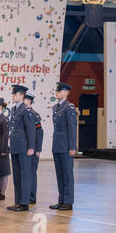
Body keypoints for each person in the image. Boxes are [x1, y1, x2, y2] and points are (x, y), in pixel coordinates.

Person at [7, 85, 36, 212]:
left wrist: (31, 147)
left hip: (24, 147)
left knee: (24, 175)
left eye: (15, 94)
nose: (13, 96)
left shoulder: (26, 110)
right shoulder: (13, 109)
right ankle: (17, 201)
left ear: (21, 95)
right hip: (15, 146)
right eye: (13, 94)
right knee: (17, 176)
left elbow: (31, 129)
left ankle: (24, 202)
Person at [50, 82, 77, 211]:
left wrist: (72, 147)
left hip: (66, 146)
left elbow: (72, 128)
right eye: (57, 90)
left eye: (60, 91)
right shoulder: (55, 107)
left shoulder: (69, 107)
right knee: (60, 175)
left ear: (66, 92)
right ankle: (61, 200)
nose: (57, 92)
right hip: (57, 145)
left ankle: (68, 201)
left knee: (67, 175)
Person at [24, 92, 44, 204]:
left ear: (30, 101)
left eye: (26, 99)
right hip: (25, 147)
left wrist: (38, 149)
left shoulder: (34, 114)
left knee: (31, 172)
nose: (24, 101)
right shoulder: (21, 112)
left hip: (33, 148)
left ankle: (31, 197)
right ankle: (25, 195)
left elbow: (39, 133)